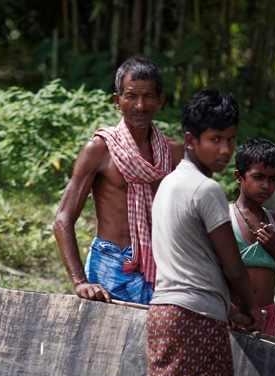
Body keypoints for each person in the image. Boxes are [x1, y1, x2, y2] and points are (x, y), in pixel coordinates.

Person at [128, 89, 264, 376]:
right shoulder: (206, 190)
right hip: (191, 320)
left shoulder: (169, 183)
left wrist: (229, 306)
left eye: (230, 139)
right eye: (215, 140)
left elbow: (191, 263)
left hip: (169, 312)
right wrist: (252, 308)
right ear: (190, 139)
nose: (225, 150)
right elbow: (232, 268)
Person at [53, 57, 184, 305]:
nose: (140, 105)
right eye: (131, 96)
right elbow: (63, 219)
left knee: (159, 342)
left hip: (161, 266)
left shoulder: (174, 154)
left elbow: (190, 220)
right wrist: (81, 282)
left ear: (160, 101)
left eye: (148, 97)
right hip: (109, 265)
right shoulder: (99, 150)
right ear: (117, 101)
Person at [229, 138, 275, 337]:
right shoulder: (225, 218)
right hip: (235, 315)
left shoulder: (274, 220)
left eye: (273, 179)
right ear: (239, 176)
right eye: (258, 177)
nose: (266, 185)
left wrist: (272, 247)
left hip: (267, 316)